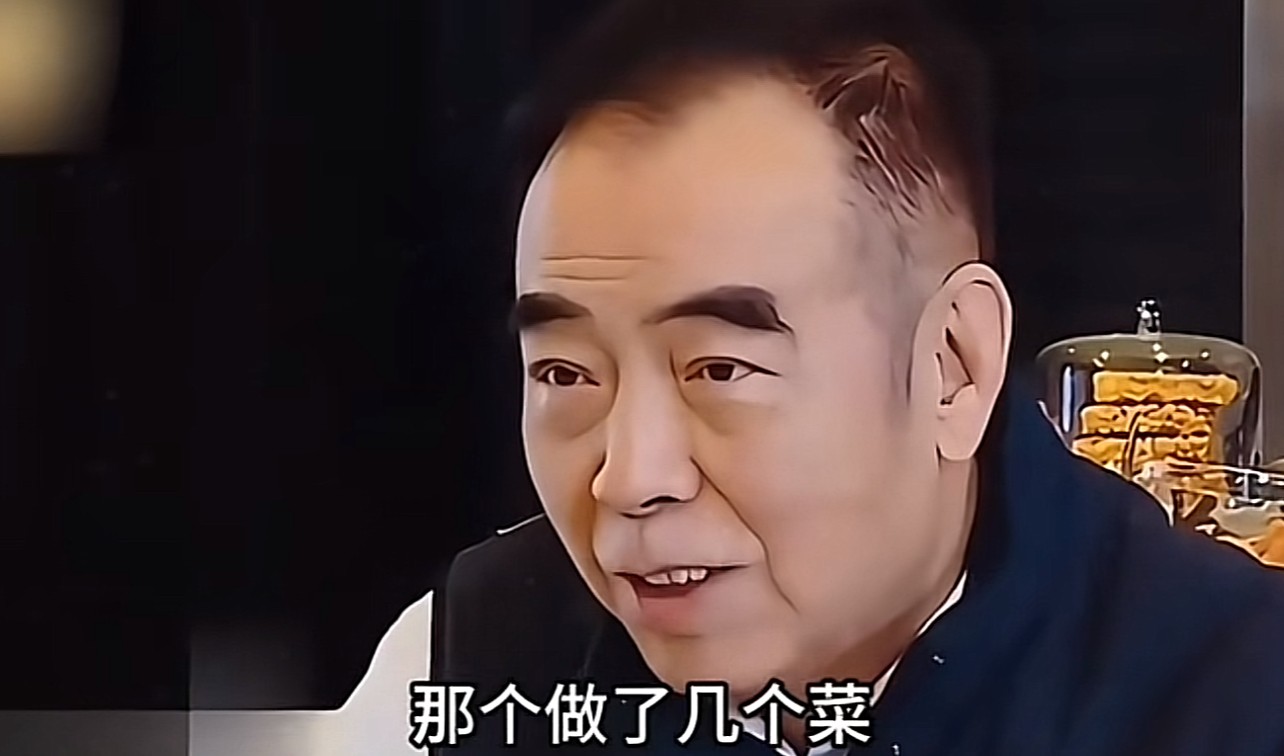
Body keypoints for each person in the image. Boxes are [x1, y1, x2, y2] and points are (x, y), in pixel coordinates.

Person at [348, 1, 1284, 754]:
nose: (629, 480)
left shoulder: (1235, 695)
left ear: (955, 365)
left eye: (719, 368)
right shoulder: (465, 670)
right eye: (565, 372)